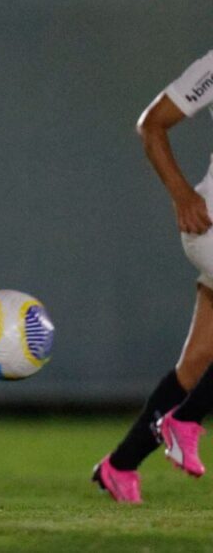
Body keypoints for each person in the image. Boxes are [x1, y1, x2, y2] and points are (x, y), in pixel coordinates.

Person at [93, 49, 213, 503]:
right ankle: (184, 421)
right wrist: (181, 193)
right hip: (208, 225)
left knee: (199, 360)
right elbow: (152, 123)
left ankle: (119, 466)